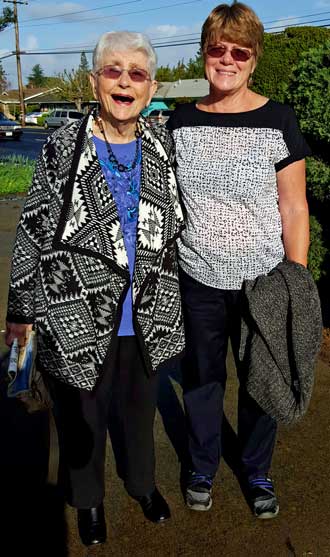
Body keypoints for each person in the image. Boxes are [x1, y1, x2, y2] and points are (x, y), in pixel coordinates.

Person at [5, 31, 185, 547]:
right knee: (82, 419)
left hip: (148, 315)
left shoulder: (161, 143)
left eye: (137, 73)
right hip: (74, 315)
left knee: (138, 414)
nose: (125, 81)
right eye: (113, 70)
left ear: (151, 88)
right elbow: (33, 228)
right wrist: (21, 309)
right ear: (94, 82)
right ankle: (88, 502)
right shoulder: (64, 145)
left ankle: (142, 486)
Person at [167, 2, 311, 518]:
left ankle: (256, 470)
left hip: (266, 279)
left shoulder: (279, 119)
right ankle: (203, 464)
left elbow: (294, 205)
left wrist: (296, 279)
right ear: (204, 54)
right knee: (204, 380)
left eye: (239, 52)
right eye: (217, 49)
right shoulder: (180, 122)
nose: (226, 59)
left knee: (261, 379)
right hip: (198, 275)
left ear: (253, 60)